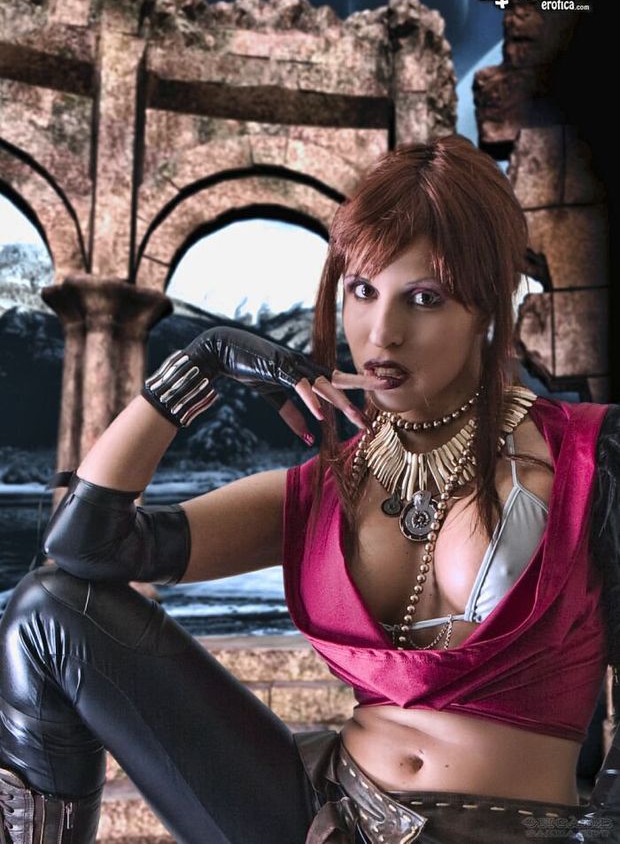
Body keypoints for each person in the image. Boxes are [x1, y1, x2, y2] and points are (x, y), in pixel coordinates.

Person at [0, 132, 618, 844]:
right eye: (362, 290)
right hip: (318, 817)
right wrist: (199, 365)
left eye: (424, 297)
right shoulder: (326, 487)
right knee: (46, 611)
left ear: (487, 304)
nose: (381, 332)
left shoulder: (592, 457)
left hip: (515, 826)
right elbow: (86, 548)